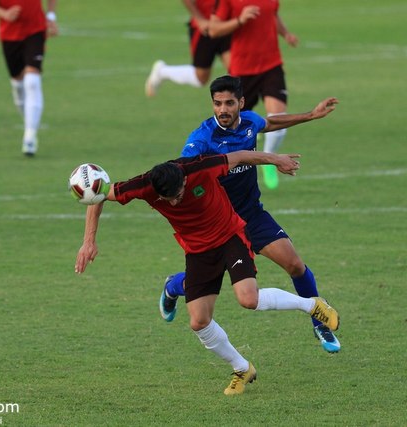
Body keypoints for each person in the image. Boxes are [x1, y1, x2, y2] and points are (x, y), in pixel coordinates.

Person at [74, 151, 340, 395]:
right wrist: (89, 241)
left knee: (249, 299)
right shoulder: (143, 186)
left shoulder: (201, 167)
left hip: (230, 237)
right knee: (199, 321)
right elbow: (98, 197)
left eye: (180, 193)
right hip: (198, 252)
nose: (176, 201)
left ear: (184, 180)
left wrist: (275, 159)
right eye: (170, 199)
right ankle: (242, 368)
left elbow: (243, 156)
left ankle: (312, 305)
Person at [159, 75, 342, 353]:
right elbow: (183, 168)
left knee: (295, 264)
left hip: (252, 216)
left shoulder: (249, 122)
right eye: (217, 103)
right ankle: (173, 285)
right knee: (209, 284)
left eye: (229, 103)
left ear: (240, 103)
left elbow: (271, 123)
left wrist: (311, 115)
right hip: (220, 227)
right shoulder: (201, 139)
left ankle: (320, 324)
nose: (223, 110)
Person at [208, 0, 298, 189]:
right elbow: (213, 30)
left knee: (278, 120)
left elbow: (272, 15)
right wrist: (240, 20)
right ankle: (231, 172)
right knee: (236, 127)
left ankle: (269, 159)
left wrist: (285, 33)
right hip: (243, 69)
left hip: (271, 65)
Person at [0, 0, 59, 156]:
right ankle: (29, 123)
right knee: (18, 85)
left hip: (36, 30)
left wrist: (51, 16)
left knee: (32, 82)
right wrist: (4, 14)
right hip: (9, 34)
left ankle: (29, 136)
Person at [145, 0, 231, 97]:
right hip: (205, 28)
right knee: (201, 77)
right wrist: (199, 20)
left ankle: (238, 109)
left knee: (236, 70)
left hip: (227, 26)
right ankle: (162, 71)